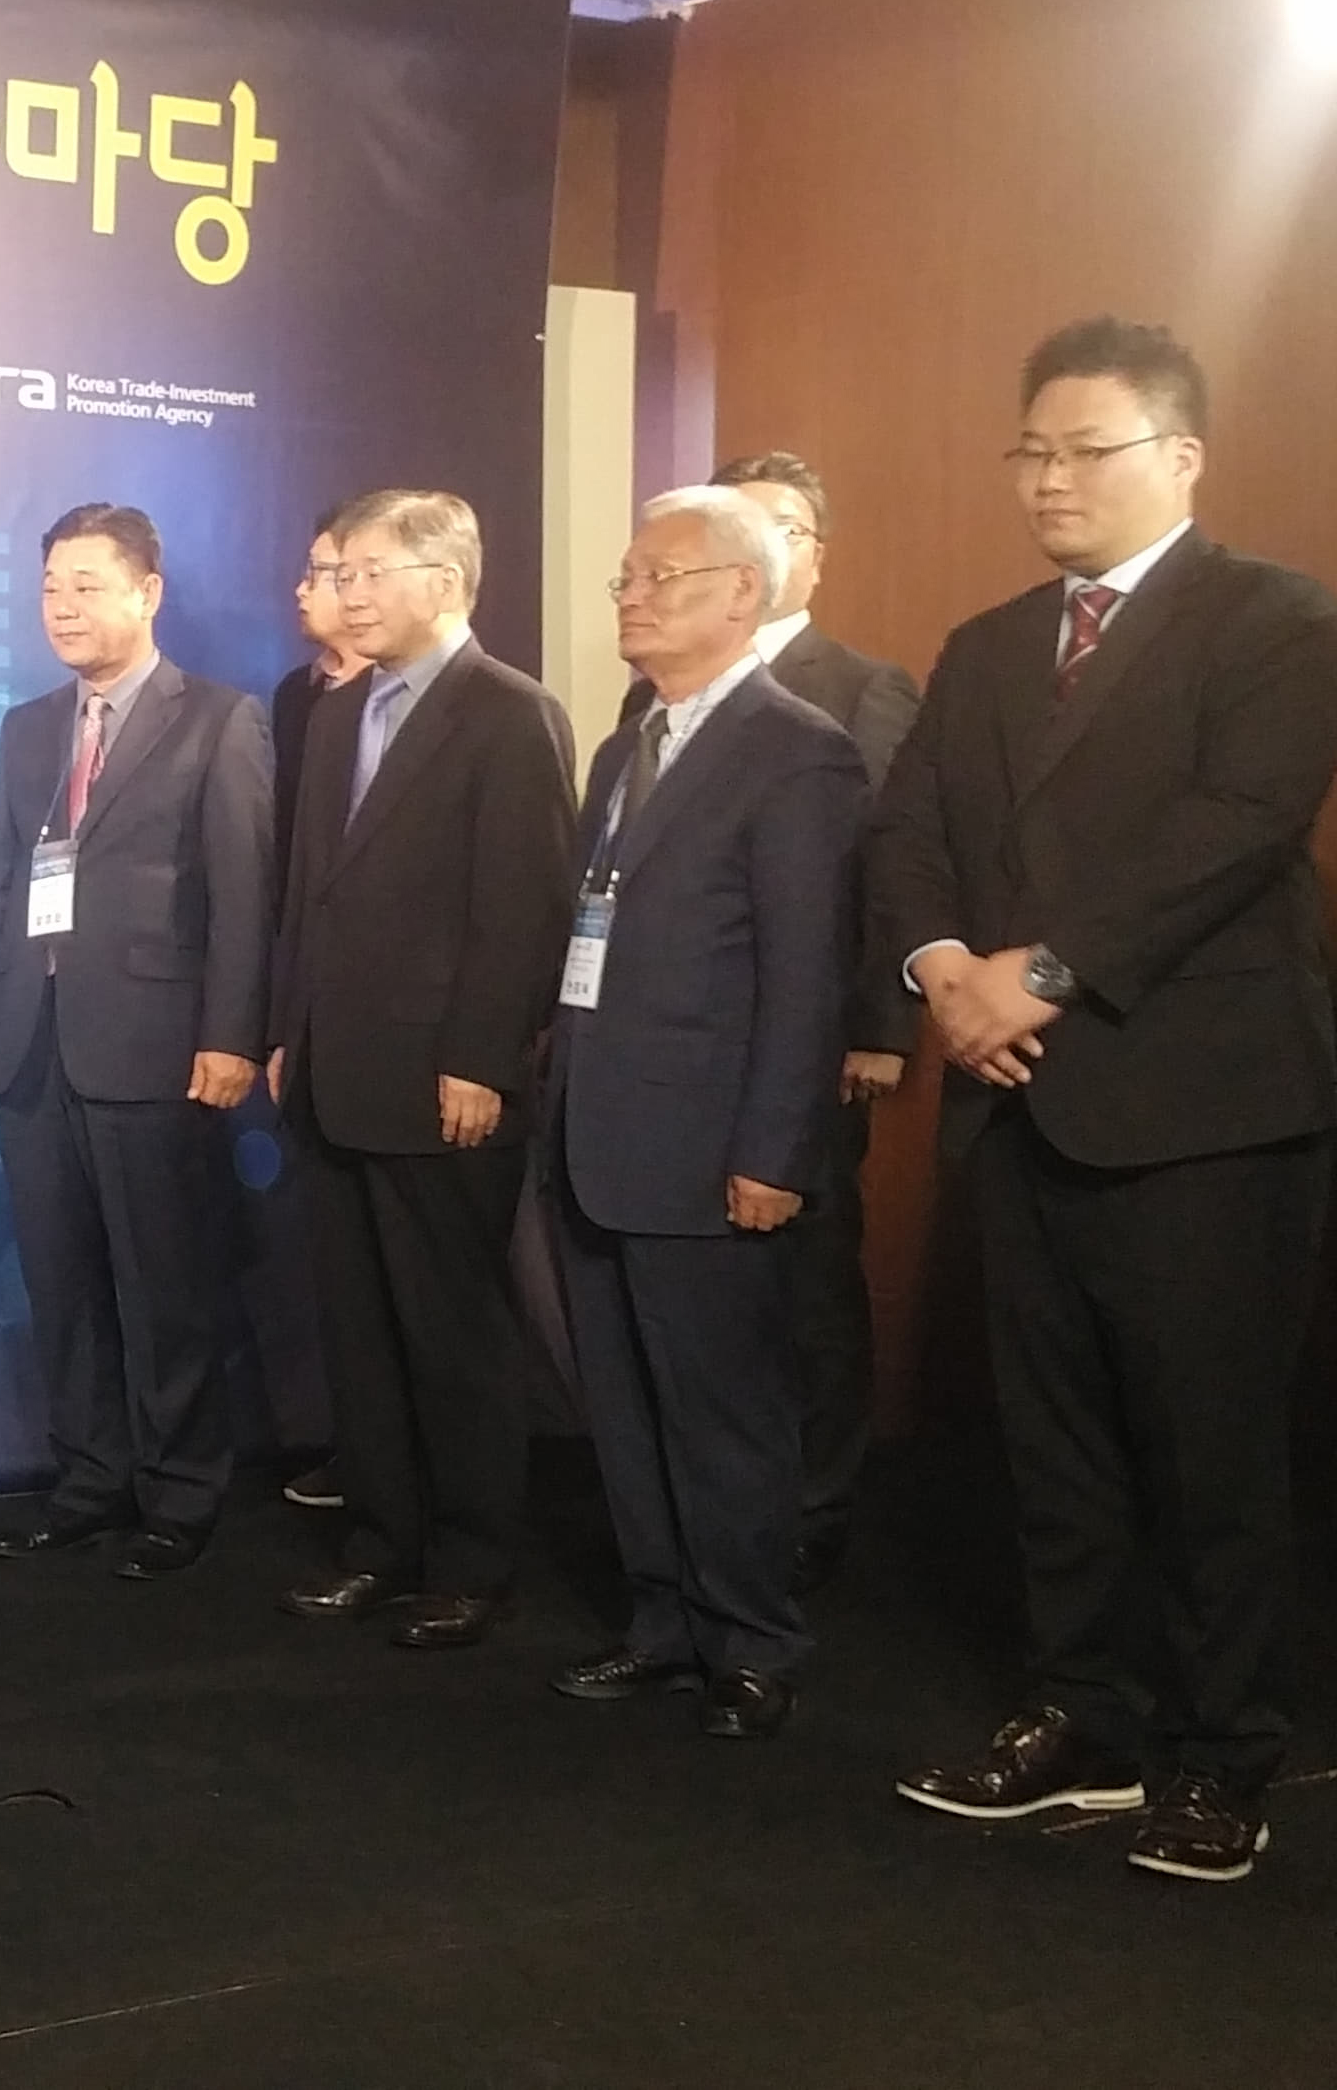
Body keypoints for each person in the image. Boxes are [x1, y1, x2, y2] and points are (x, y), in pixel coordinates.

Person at [873, 318, 1337, 1881]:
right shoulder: (988, 644)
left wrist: (1045, 974)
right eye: (1032, 451)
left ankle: (1225, 1753)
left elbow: (1237, 828)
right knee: (1054, 1441)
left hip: (1203, 1110)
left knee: (1212, 1450)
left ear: (1181, 456)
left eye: (1087, 450)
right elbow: (912, 831)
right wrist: (946, 969)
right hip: (1014, 1105)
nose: (1049, 479)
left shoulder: (1275, 618)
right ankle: (1086, 1719)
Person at [547, 487, 867, 1738]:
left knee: (723, 1409)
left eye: (659, 576)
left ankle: (752, 1641)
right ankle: (663, 1622)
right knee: (626, 1404)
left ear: (743, 592)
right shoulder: (626, 745)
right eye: (625, 578)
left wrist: (775, 1152)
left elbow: (806, 976)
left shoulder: (796, 750)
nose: (631, 597)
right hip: (597, 1130)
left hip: (711, 1146)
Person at [270, 489, 576, 1648]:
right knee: (359, 1334)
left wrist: (483, 1059)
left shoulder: (510, 713)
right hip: (333, 1072)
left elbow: (523, 906)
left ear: (442, 583)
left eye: (367, 574)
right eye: (338, 574)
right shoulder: (340, 713)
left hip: (445, 1082)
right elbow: (309, 894)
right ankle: (379, 1544)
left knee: (453, 1333)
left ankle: (471, 1560)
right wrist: (286, 1029)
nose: (345, 595)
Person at [0, 503, 273, 1579]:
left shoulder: (218, 720)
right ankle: (89, 1484)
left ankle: (180, 1495)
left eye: (87, 586)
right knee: (62, 1283)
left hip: (156, 1045)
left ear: (148, 592)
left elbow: (244, 894)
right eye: (51, 587)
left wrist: (231, 1034)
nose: (63, 607)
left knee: (163, 1284)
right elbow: (0, 883)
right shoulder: (28, 728)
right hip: (32, 1043)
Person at [625, 453, 922, 1589]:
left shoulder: (856, 691)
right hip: (676, 1063)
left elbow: (871, 882)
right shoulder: (650, 703)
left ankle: (814, 1502)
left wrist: (880, 1029)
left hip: (808, 1048)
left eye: (781, 526)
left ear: (801, 556)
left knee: (809, 1287)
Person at [270, 509, 369, 1512]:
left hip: (409, 1042)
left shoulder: (482, 709)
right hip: (312, 1022)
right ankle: (366, 1462)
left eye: (332, 571)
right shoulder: (300, 702)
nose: (307, 589)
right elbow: (288, 875)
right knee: (337, 1275)